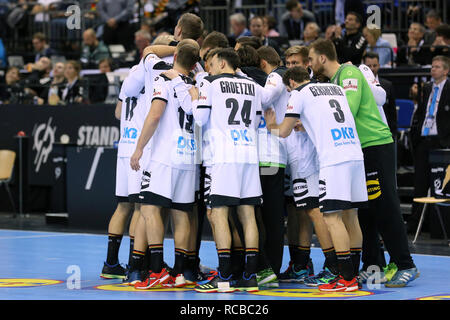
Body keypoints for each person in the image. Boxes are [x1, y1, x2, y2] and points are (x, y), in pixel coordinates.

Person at [309, 38, 419, 288]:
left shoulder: (349, 73)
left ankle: (405, 263)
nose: (310, 64)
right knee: (365, 210)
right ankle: (374, 266)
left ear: (322, 58)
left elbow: (348, 109)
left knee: (385, 204)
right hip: (357, 148)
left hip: (375, 145)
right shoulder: (333, 81)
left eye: (311, 58)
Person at [265, 66, 367, 292]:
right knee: (351, 216)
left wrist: (271, 125)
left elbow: (283, 132)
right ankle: (353, 274)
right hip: (354, 154)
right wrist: (307, 123)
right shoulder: (334, 88)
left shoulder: (298, 94)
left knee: (331, 218)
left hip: (333, 159)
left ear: (291, 82)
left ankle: (346, 278)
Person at [190, 48, 268, 293]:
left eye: (211, 63)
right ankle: (250, 276)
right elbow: (257, 120)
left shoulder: (210, 83)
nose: (209, 68)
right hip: (248, 153)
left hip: (223, 156)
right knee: (248, 215)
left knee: (219, 213)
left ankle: (223, 277)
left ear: (222, 63)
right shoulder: (253, 85)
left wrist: (194, 96)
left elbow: (200, 119)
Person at [130, 43, 201, 290]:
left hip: (165, 156)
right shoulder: (196, 84)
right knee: (181, 214)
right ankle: (180, 273)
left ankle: (157, 270)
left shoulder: (164, 78)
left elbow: (155, 114)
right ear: (194, 64)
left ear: (174, 56)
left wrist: (139, 148)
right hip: (188, 155)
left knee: (149, 209)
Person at [100, 65, 146, 280]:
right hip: (140, 148)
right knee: (139, 207)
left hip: (125, 144)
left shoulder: (129, 80)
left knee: (122, 206)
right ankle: (133, 265)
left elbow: (118, 113)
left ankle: (110, 263)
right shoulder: (154, 78)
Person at [408, 55, 450, 234]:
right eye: (432, 66)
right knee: (419, 182)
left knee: (440, 186)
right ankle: (415, 224)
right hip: (424, 141)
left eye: (438, 67)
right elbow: (422, 112)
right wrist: (415, 135)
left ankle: (440, 227)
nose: (433, 70)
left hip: (442, 142)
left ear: (446, 70)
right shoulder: (426, 88)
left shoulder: (449, 88)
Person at [362, 52, 397, 137]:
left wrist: (393, 134)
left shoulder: (388, 85)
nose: (372, 69)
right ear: (363, 66)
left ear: (379, 65)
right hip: (366, 131)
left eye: (375, 65)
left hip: (384, 132)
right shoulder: (359, 85)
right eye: (369, 66)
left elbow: (392, 113)